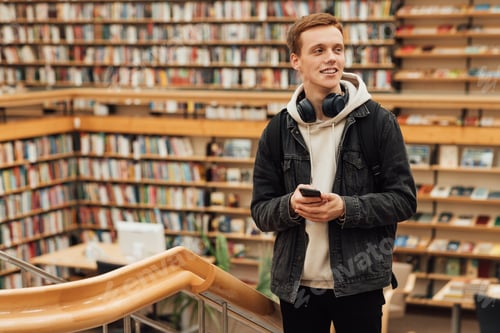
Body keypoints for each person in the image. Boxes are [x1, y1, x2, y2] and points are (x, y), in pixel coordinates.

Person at [251, 13, 416, 333]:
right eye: (319, 50)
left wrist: (345, 207)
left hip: (359, 283)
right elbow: (261, 211)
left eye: (337, 49)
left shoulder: (378, 122)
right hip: (297, 288)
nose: (331, 58)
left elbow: (403, 200)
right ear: (295, 60)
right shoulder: (277, 130)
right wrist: (290, 206)